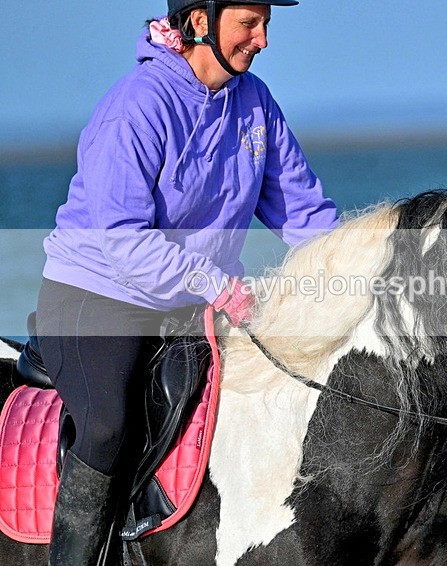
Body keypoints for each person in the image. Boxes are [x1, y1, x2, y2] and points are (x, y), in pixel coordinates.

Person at [35, 1, 338, 563]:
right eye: (250, 23)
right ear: (201, 22)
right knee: (107, 428)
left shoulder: (256, 104)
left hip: (193, 301)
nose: (264, 39)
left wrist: (356, 271)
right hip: (97, 294)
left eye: (266, 23)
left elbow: (304, 214)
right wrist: (213, 282)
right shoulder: (139, 106)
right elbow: (120, 237)